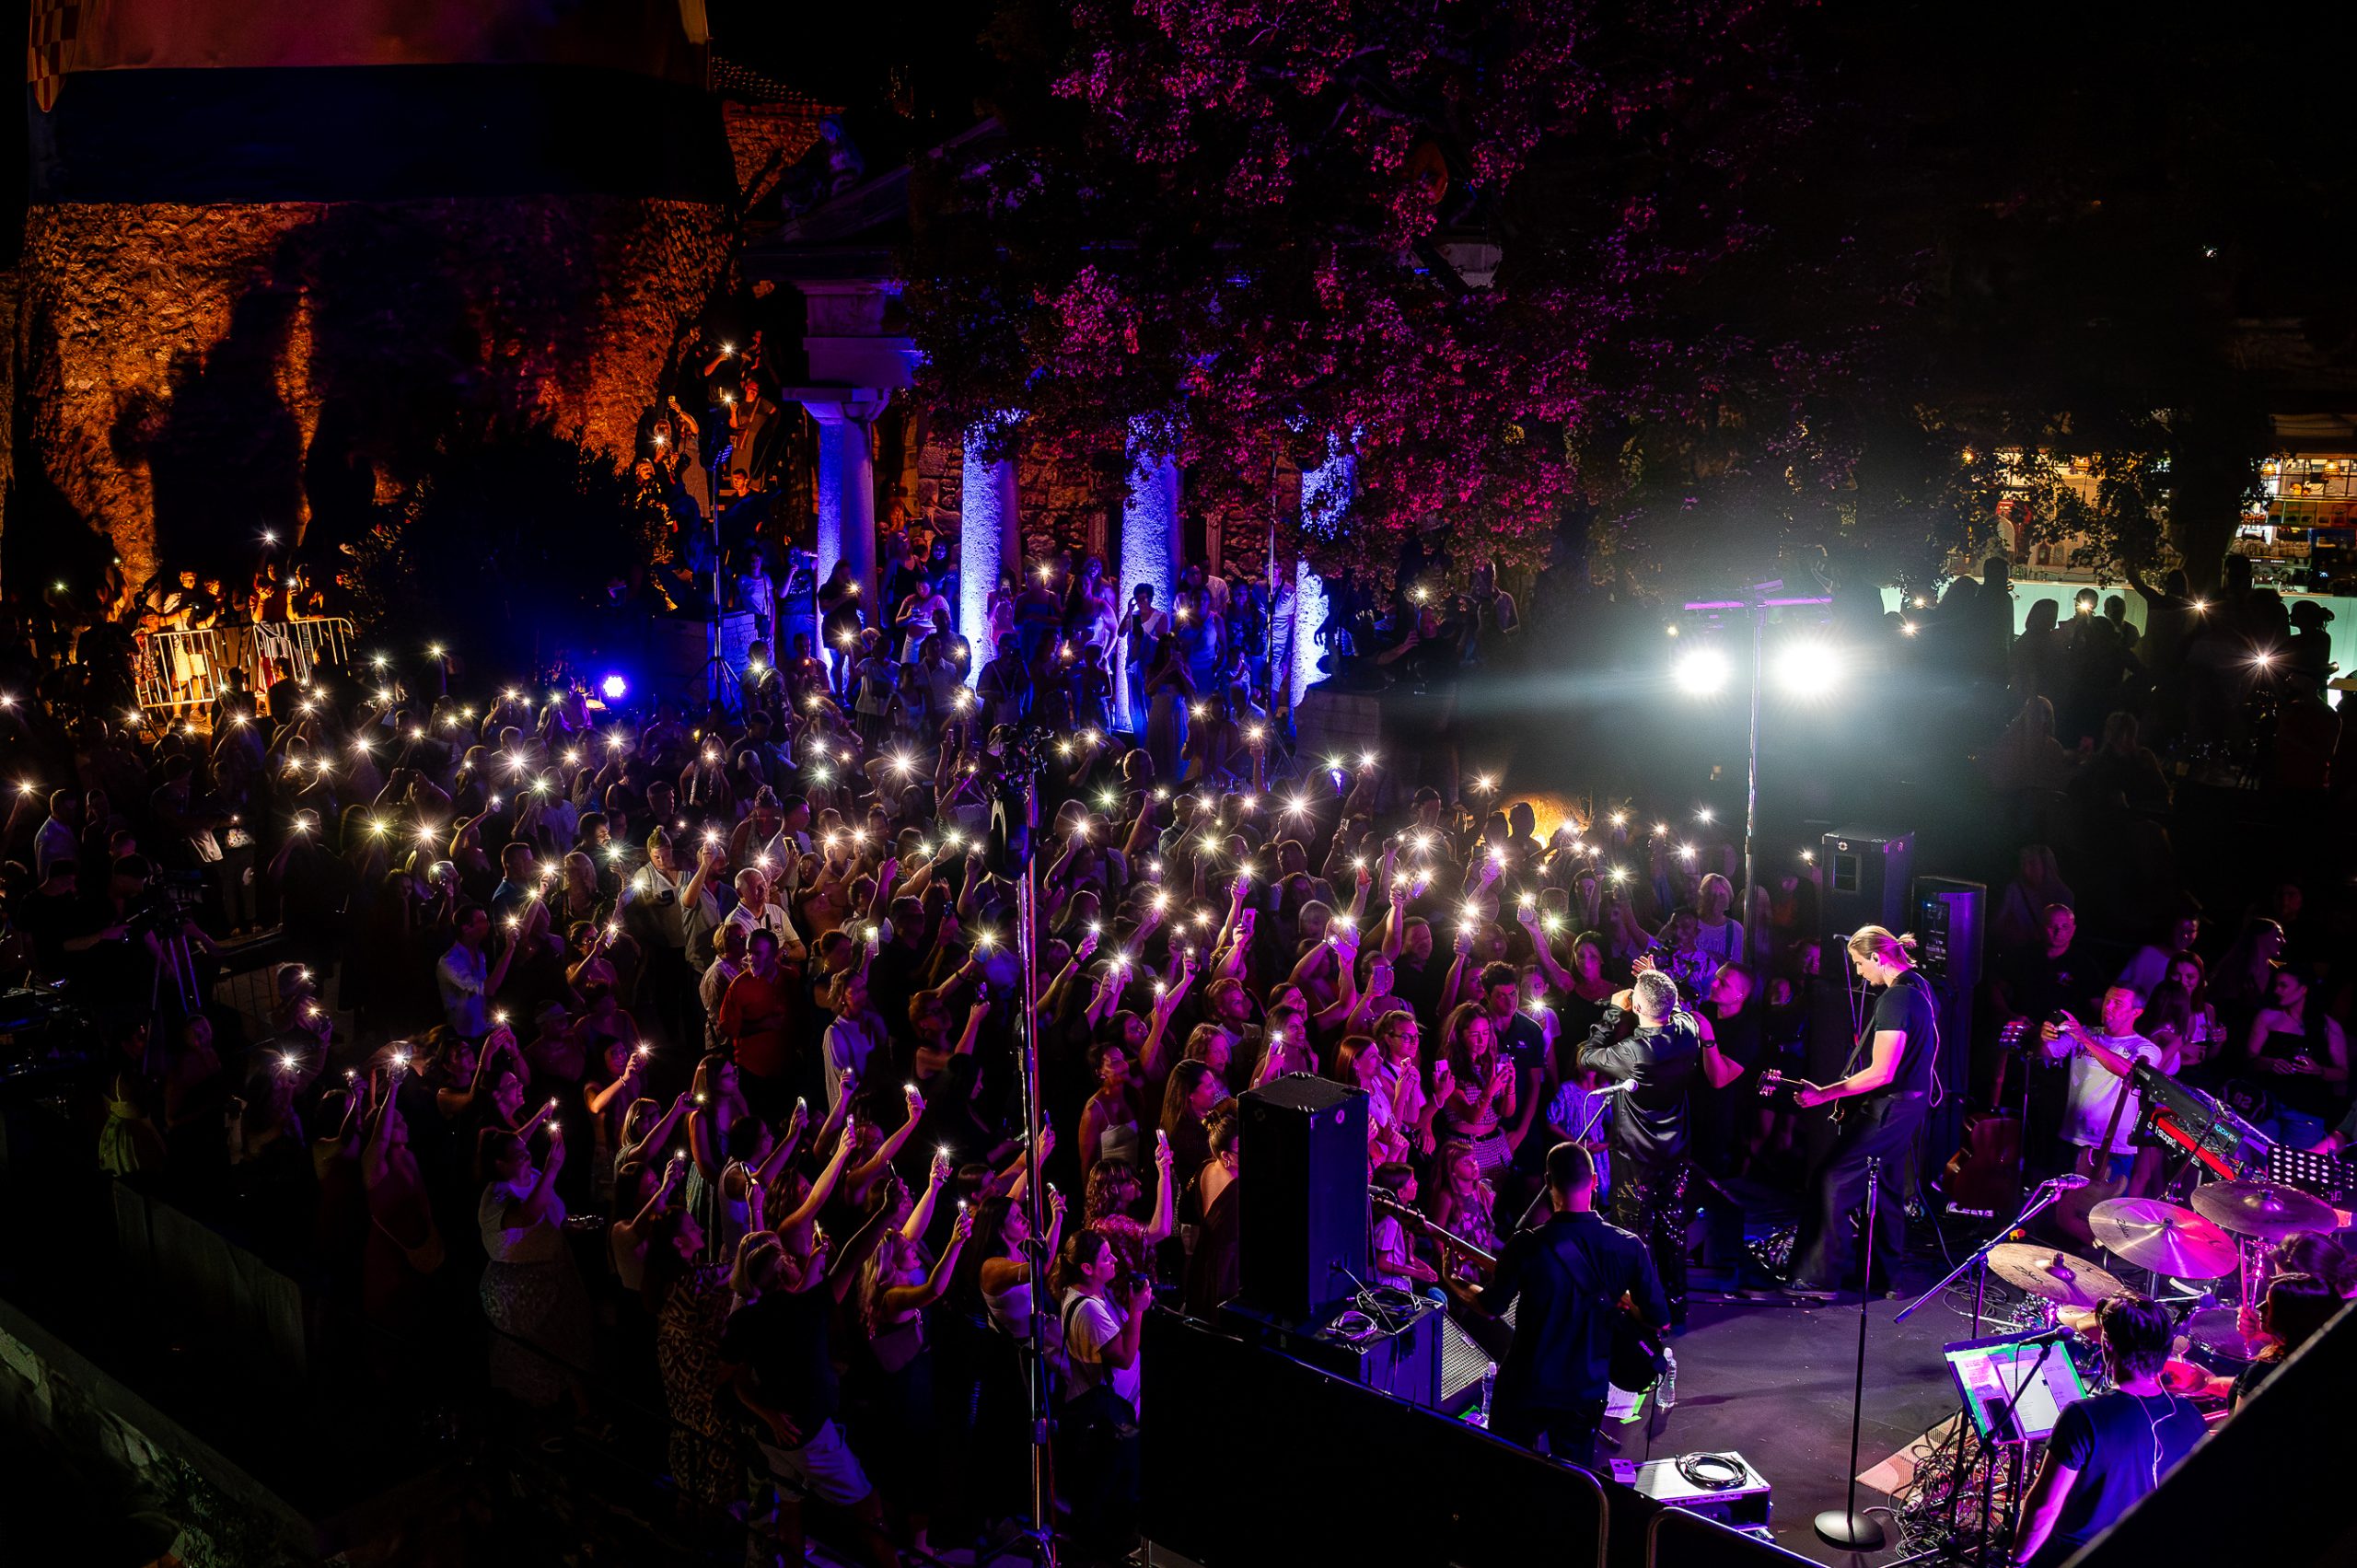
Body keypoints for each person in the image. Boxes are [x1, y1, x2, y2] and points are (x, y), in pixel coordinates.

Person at [1445, 1142, 1667, 1469]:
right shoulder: (1628, 1246)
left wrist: (1450, 1277)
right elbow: (1658, 1318)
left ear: (1548, 1182)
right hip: (1584, 1387)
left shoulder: (1526, 1244)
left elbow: (1489, 1306)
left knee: (1506, 1471)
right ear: (1593, 1181)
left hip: (1526, 1385)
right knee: (1574, 1482)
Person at [1782, 927, 1940, 1299]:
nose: (1858, 973)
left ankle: (1819, 1277)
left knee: (1831, 1178)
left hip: (1890, 1107)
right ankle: (1884, 1278)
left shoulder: (1896, 998)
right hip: (1909, 1105)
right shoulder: (1921, 988)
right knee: (1885, 1187)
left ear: (1876, 958)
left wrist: (1824, 1094)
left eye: (1858, 963)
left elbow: (1882, 1071)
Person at [2012, 1294, 2207, 1568]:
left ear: (2107, 1345)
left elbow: (2044, 1509)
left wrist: (2017, 1560)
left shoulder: (2082, 1416)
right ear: (2166, 1350)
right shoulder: (2191, 1416)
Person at [1574, 967, 1701, 1327]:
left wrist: (1614, 1012)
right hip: (1676, 1148)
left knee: (1633, 1232)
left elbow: (1586, 1055)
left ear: (1639, 1006)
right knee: (1672, 1225)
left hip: (1637, 1154)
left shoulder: (1634, 1051)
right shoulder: (1688, 1032)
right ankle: (1675, 1308)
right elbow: (1676, 1010)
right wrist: (1654, 977)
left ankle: (1642, 1312)